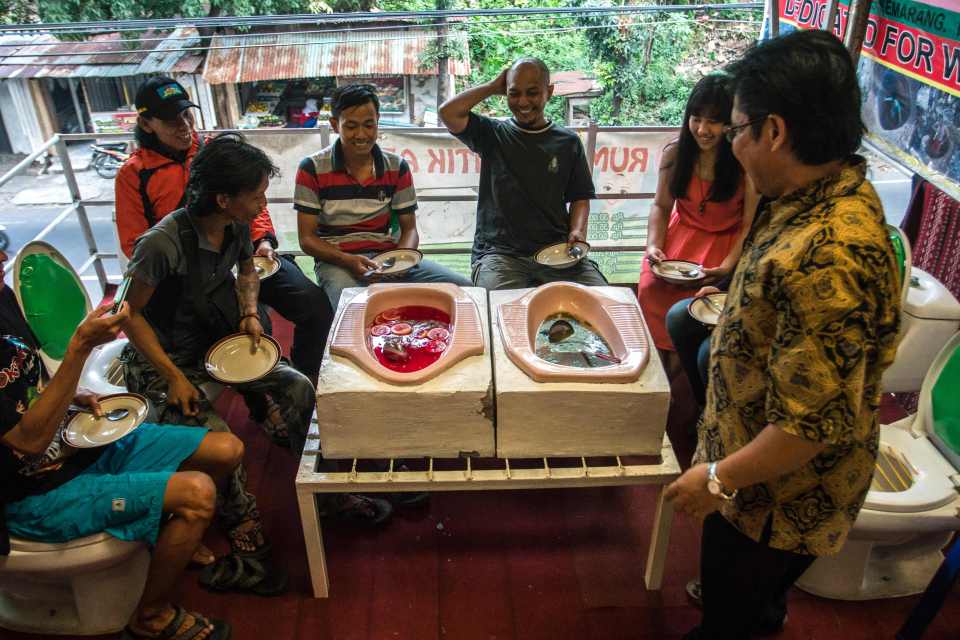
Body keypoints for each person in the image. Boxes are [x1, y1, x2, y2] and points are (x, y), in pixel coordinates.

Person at [664, 30, 902, 640]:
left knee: (728, 619)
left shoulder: (833, 253)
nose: (733, 146)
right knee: (754, 608)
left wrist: (716, 478)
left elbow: (808, 427)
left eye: (738, 129)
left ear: (775, 132)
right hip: (752, 471)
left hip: (774, 500)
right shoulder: (809, 193)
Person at [122, 132, 391, 527]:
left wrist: (248, 311)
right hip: (166, 362)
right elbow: (129, 315)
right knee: (225, 448)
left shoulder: (235, 225)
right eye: (257, 195)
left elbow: (247, 272)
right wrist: (174, 377)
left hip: (218, 342)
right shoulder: (161, 244)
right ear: (224, 199)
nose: (264, 204)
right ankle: (244, 536)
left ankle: (328, 494)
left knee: (300, 387)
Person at [1, 297, 242, 640]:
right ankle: (150, 616)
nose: (2, 255)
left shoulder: (2, 295)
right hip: (29, 493)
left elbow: (30, 374)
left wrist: (70, 393)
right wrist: (81, 346)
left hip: (75, 444)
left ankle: (161, 534)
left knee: (226, 449)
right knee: (198, 494)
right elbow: (29, 441)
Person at [115, 76, 333, 386]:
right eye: (170, 119)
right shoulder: (135, 174)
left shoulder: (214, 149)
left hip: (245, 255)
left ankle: (304, 372)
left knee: (312, 304)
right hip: (186, 275)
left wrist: (264, 240)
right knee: (253, 325)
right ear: (147, 124)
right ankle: (254, 390)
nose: (183, 125)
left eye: (186, 114)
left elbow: (251, 202)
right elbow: (134, 243)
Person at [295, 83, 472, 308]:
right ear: (334, 125)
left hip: (386, 256)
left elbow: (409, 229)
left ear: (378, 121)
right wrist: (347, 260)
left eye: (369, 125)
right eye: (351, 126)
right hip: (336, 260)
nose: (361, 135)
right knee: (354, 310)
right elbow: (307, 239)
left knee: (465, 290)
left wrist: (399, 261)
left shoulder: (397, 167)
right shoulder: (311, 168)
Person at [438, 57, 607, 290]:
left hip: (557, 252)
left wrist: (577, 231)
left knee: (605, 300)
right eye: (514, 93)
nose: (523, 101)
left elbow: (580, 197)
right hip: (499, 255)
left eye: (533, 93)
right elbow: (448, 113)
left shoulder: (568, 142)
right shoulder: (492, 134)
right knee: (497, 313)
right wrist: (491, 87)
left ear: (549, 92)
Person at [638, 74, 759, 357]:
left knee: (697, 306)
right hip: (678, 239)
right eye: (696, 118)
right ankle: (660, 372)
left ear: (731, 123)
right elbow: (661, 207)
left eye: (714, 121)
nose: (703, 129)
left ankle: (684, 386)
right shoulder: (675, 154)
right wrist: (654, 245)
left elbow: (749, 225)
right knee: (650, 288)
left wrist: (728, 266)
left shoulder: (744, 165)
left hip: (723, 247)